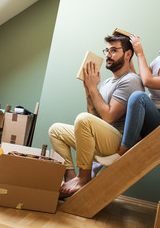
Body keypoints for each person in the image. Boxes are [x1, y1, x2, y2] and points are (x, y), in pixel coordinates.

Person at [49, 33, 144, 197]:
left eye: (113, 50)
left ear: (128, 54)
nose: (108, 55)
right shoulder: (107, 82)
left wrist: (94, 88)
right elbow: (93, 117)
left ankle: (83, 178)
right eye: (106, 50)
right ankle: (71, 177)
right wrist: (88, 91)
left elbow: (109, 118)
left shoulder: (131, 80)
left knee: (83, 119)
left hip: (117, 143)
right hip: (102, 138)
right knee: (55, 130)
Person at [95, 31, 160, 167]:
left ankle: (120, 154)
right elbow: (137, 79)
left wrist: (140, 53)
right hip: (143, 113)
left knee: (138, 96)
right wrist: (129, 55)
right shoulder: (159, 61)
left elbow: (147, 82)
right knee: (133, 95)